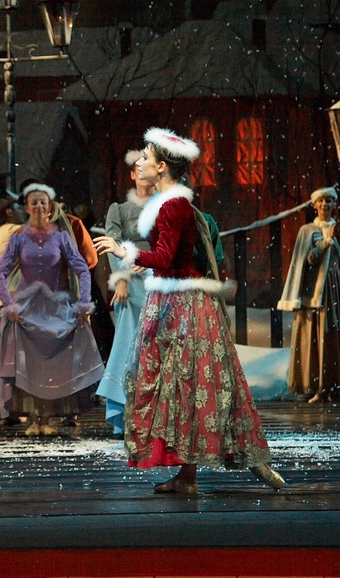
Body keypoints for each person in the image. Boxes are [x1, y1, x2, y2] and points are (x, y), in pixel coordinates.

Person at [94, 127, 283, 494]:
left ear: (162, 166)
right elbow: (171, 255)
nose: (140, 162)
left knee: (188, 384)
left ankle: (224, 463)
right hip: (174, 299)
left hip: (182, 304)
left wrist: (125, 252)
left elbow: (166, 257)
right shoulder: (168, 202)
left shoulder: (173, 204)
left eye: (146, 158)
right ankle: (188, 475)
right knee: (179, 387)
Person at [0, 183, 104, 436]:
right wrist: (8, 304)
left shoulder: (61, 237)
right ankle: (34, 418)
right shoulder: (19, 238)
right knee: (30, 362)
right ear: (26, 207)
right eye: (34, 203)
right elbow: (0, 273)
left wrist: (84, 303)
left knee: (54, 362)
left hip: (55, 305)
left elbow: (82, 268)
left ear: (50, 207)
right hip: (27, 305)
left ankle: (48, 418)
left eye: (43, 202)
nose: (39, 207)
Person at [97, 149, 154, 436]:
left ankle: (156, 413)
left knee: (158, 344)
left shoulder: (165, 206)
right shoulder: (119, 210)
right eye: (138, 168)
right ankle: (127, 410)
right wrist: (120, 278)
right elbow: (113, 243)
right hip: (130, 282)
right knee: (129, 345)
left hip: (157, 278)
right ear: (132, 174)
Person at [277, 188, 340, 403]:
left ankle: (335, 385)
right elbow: (308, 259)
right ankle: (316, 385)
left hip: (335, 288)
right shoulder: (308, 230)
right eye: (321, 201)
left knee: (334, 336)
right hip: (316, 290)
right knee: (316, 336)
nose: (325, 205)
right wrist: (325, 242)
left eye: (329, 201)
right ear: (315, 205)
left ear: (334, 205)